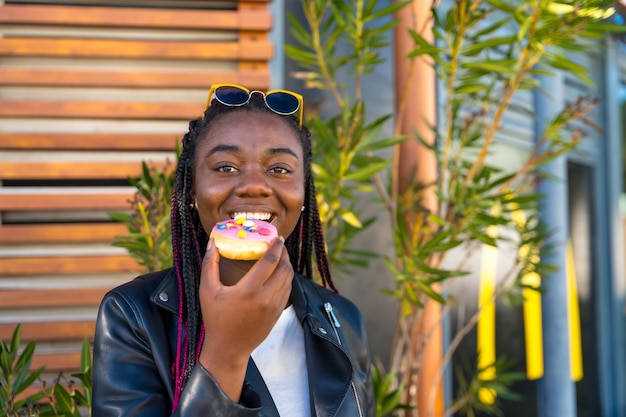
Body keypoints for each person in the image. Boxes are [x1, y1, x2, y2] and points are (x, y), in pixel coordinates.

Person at [92, 84, 374, 416]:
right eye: (226, 167)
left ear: (303, 194)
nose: (254, 185)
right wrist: (227, 352)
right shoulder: (134, 316)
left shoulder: (341, 319)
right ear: (194, 191)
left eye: (279, 169)